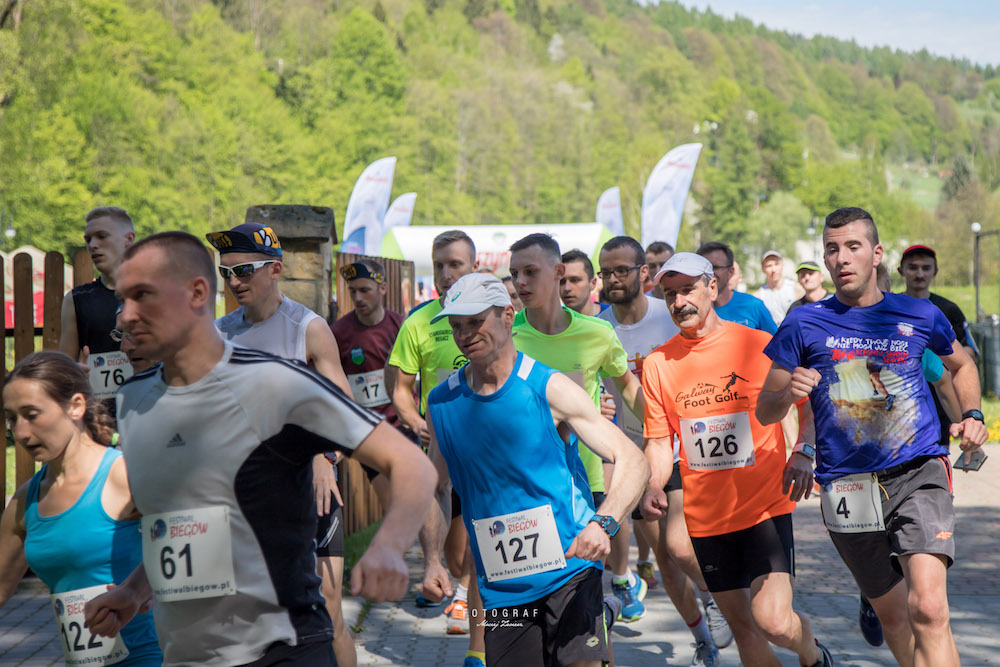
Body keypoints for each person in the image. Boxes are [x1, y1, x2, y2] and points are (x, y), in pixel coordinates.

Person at [83, 231, 437, 667]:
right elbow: (178, 524)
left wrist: (389, 545)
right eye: (122, 299)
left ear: (196, 293)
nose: (124, 317)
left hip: (282, 650)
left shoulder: (274, 380)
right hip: (187, 656)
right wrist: (134, 590)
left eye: (142, 296)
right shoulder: (134, 400)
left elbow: (411, 463)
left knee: (332, 607)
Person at [757, 207, 988, 667]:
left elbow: (961, 364)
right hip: (847, 487)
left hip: (917, 472)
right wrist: (788, 393)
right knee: (895, 620)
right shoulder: (803, 323)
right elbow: (765, 410)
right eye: (832, 249)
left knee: (928, 608)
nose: (841, 258)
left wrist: (973, 414)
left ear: (877, 254)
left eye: (853, 246)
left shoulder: (919, 313)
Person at [424, 272, 649, 667]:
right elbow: (434, 486)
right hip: (501, 587)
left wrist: (604, 523)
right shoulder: (443, 402)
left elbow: (633, 459)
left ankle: (599, 610)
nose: (465, 334)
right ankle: (605, 613)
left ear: (507, 316)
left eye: (475, 321)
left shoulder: (548, 387)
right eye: (456, 325)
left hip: (570, 568)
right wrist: (430, 561)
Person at [640, 252, 833, 667]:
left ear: (713, 287)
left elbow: (805, 401)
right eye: (670, 294)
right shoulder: (657, 364)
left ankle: (813, 654)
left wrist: (804, 450)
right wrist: (654, 484)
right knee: (746, 632)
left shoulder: (758, 344)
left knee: (774, 622)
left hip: (765, 506)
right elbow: (658, 441)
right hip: (707, 518)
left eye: (687, 290)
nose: (679, 302)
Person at [207, 222, 357, 667]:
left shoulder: (307, 328)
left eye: (244, 270)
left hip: (308, 486)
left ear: (275, 269)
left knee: (327, 608)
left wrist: (324, 456)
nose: (234, 282)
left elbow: (345, 412)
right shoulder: (218, 334)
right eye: (226, 272)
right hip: (247, 495)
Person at [596, 236, 732, 658]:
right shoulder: (598, 329)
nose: (613, 279)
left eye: (622, 270)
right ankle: (703, 639)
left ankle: (716, 597)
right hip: (631, 455)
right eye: (606, 272)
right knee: (665, 558)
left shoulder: (670, 313)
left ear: (643, 274)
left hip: (679, 447)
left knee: (678, 545)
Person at [507, 233, 648, 624]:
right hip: (524, 481)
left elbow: (628, 388)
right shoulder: (507, 334)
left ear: (557, 272)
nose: (520, 282)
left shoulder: (596, 333)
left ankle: (610, 602)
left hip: (583, 479)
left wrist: (659, 437)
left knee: (583, 608)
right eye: (515, 273)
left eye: (530, 271)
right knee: (531, 603)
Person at [0, 351, 162, 665]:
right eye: (12, 418)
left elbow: (189, 541)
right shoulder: (25, 500)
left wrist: (140, 590)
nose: (20, 432)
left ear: (75, 406)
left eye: (31, 414)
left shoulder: (123, 475)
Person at [387, 230, 484, 660]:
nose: (445, 274)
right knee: (453, 551)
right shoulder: (418, 322)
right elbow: (400, 390)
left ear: (473, 267)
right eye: (439, 265)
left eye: (455, 265)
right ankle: (448, 578)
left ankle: (471, 612)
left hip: (489, 447)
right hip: (442, 448)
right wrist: (416, 422)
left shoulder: (497, 318)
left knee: (480, 542)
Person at [331, 259, 408, 506]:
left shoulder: (402, 325)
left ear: (382, 288)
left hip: (404, 426)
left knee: (417, 502)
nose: (358, 297)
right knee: (395, 505)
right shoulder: (338, 332)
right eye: (352, 291)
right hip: (368, 431)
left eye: (365, 290)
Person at [60, 206, 137, 406]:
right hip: (97, 416)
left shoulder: (158, 292)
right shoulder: (76, 300)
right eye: (88, 240)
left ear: (129, 239)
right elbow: (63, 372)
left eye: (102, 236)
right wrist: (74, 376)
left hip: (151, 409)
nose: (93, 245)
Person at [897, 245, 978, 361]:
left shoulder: (949, 309)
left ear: (935, 271)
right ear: (901, 270)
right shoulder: (889, 307)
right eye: (913, 268)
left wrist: (939, 361)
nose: (919, 274)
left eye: (926, 268)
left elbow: (971, 351)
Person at [696, 242, 776, 334]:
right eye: (705, 269)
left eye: (715, 267)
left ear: (731, 272)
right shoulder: (692, 310)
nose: (710, 273)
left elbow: (777, 341)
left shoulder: (753, 305)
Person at [754, 250, 797, 325]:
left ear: (782, 265)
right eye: (769, 266)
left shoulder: (796, 289)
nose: (773, 269)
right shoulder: (758, 296)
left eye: (776, 264)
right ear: (763, 269)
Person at [560, 249, 605, 317]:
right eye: (561, 282)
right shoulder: (550, 321)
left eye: (574, 280)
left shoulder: (613, 317)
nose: (567, 288)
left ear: (593, 283)